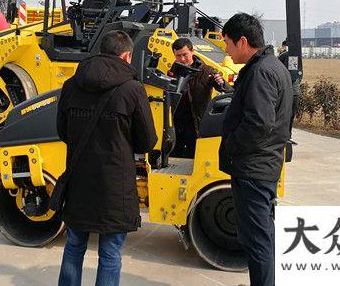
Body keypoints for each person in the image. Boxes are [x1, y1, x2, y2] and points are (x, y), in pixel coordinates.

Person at [56, 30, 158, 286]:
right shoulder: (133, 89)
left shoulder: (71, 85)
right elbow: (147, 141)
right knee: (110, 253)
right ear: (126, 55)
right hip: (115, 185)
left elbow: (62, 130)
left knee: (74, 245)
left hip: (79, 179)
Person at [219, 13, 293, 286]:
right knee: (261, 236)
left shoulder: (261, 72)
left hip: (253, 168)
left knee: (257, 239)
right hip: (261, 165)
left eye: (227, 42)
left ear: (242, 41)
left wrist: (231, 146)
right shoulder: (270, 66)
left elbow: (259, 123)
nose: (225, 49)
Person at [168, 37, 227, 158]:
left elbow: (225, 88)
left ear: (192, 52)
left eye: (185, 54)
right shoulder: (172, 72)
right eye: (178, 56)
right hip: (176, 125)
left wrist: (221, 82)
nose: (182, 59)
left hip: (196, 125)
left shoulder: (206, 71)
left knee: (194, 157)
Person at [277, 40, 300, 134]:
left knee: (284, 115)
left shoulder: (285, 56)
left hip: (288, 90)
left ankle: (286, 135)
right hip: (294, 91)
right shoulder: (294, 56)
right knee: (289, 115)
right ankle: (287, 135)